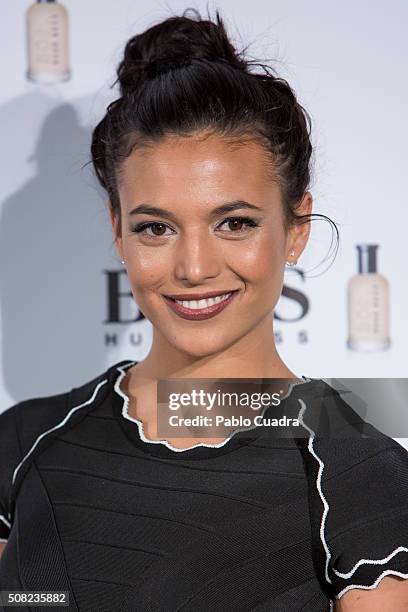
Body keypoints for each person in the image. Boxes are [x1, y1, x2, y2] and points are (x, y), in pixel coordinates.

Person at [1, 8, 407, 611]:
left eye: (234, 223)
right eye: (156, 227)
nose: (193, 268)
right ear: (118, 230)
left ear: (296, 227)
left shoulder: (359, 473)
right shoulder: (25, 443)